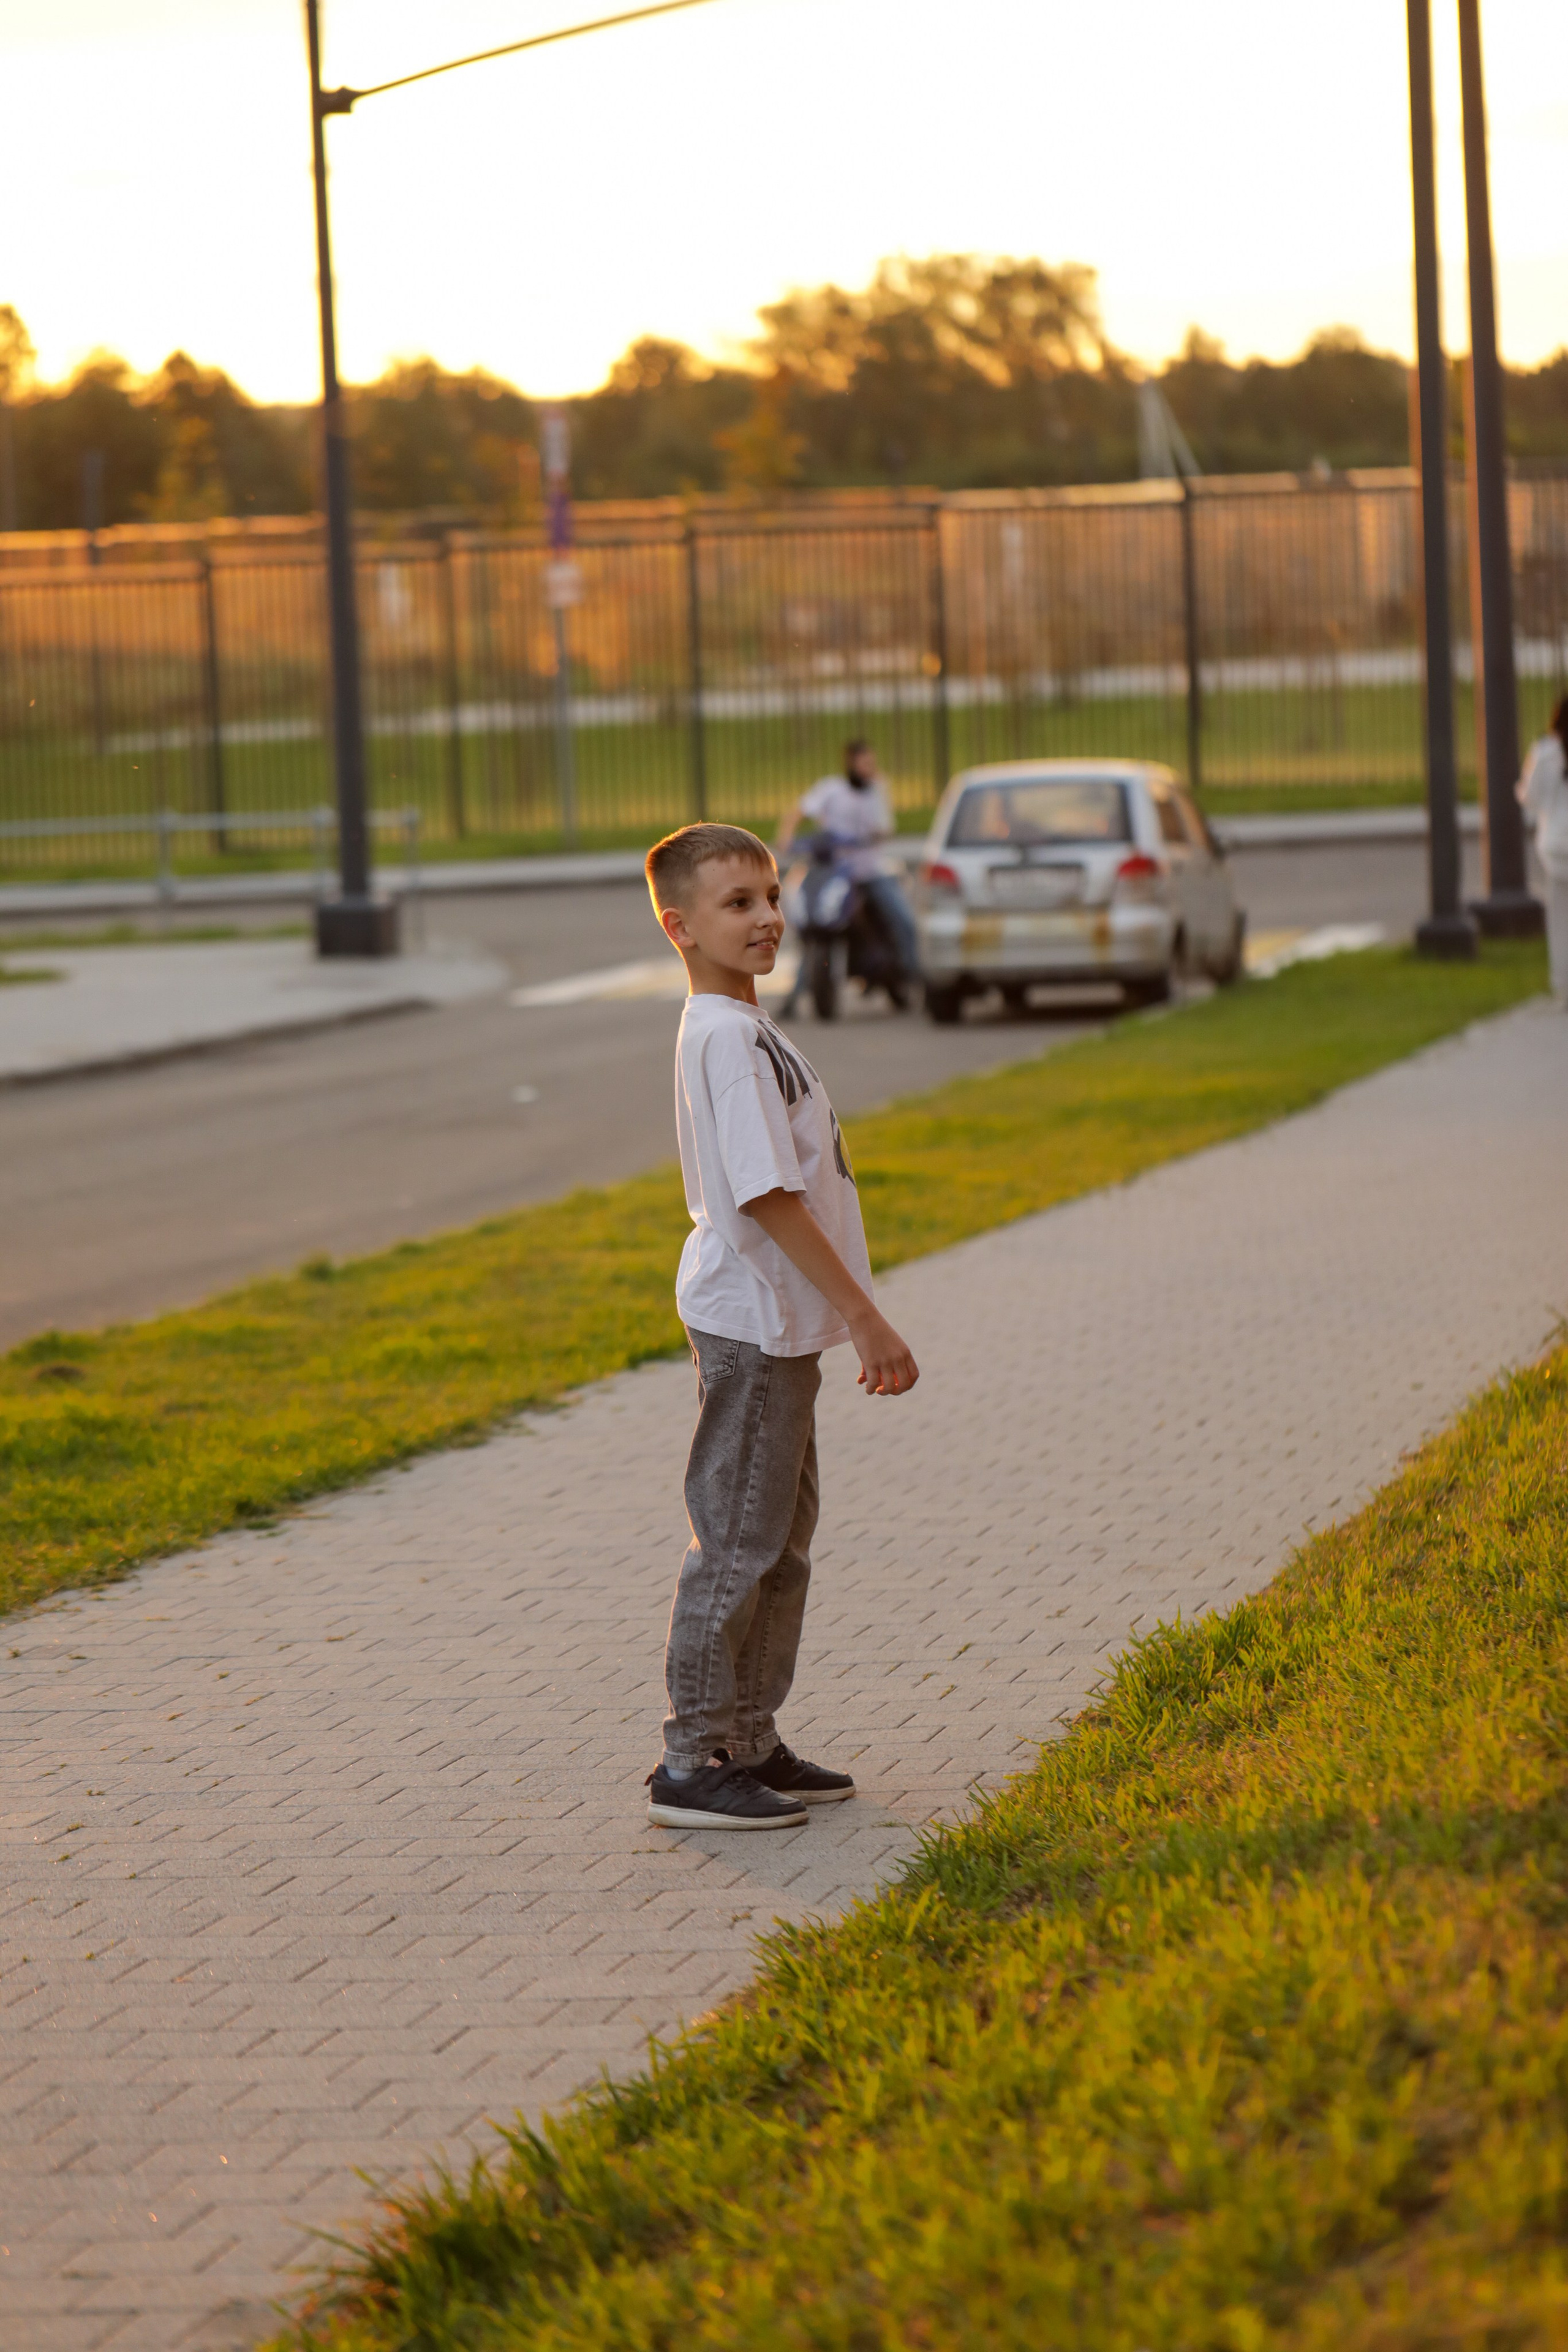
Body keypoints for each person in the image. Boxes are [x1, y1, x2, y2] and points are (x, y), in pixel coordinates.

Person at [642, 821, 921, 1831]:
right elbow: (767, 1194)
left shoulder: (745, 1025)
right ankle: (694, 1758)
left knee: (779, 1540)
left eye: (770, 895)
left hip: (780, 1329)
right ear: (681, 926)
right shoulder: (724, 1039)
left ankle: (748, 1740)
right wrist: (866, 1317)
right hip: (757, 1326)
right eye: (737, 904)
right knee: (737, 1544)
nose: (767, 918)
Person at [778, 738, 921, 989]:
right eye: (865, 763)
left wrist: (865, 836)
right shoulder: (831, 789)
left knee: (903, 921)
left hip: (870, 872)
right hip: (836, 873)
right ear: (851, 763)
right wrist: (787, 838)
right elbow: (798, 811)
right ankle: (801, 986)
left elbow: (885, 828)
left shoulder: (877, 790)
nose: (870, 768)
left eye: (872, 763)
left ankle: (913, 974)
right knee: (814, 922)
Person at [1517, 695, 1568, 1005]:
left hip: (1556, 847)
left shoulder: (1544, 753)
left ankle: (1563, 985)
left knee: (1560, 921)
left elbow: (1530, 798)